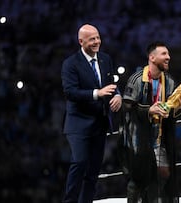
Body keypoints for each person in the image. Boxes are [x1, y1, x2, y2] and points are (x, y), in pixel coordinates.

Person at [123, 41, 181, 203]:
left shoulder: (169, 81)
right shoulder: (137, 79)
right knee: (138, 178)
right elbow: (126, 107)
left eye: (168, 54)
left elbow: (169, 110)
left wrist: (178, 107)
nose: (168, 57)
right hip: (137, 139)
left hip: (158, 138)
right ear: (152, 58)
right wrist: (149, 110)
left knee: (164, 173)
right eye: (164, 54)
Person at [61, 24, 122, 203]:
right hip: (78, 123)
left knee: (93, 171)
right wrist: (97, 93)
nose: (97, 42)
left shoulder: (105, 59)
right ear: (81, 41)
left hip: (99, 123)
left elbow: (111, 85)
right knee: (79, 163)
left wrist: (117, 95)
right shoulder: (70, 63)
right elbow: (70, 92)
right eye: (92, 39)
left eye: (98, 37)